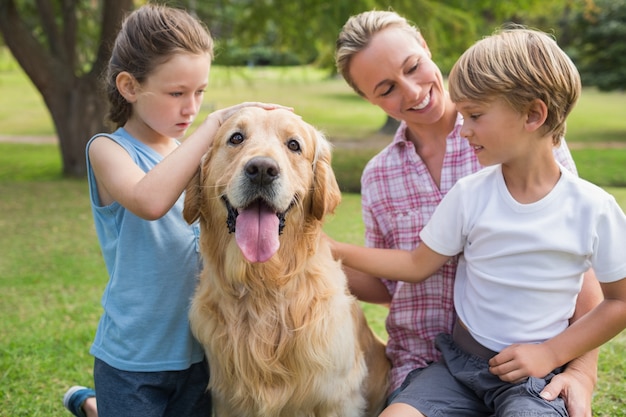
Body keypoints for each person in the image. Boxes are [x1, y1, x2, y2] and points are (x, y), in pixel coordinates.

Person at [331, 25, 626, 416]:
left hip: (533, 371)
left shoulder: (538, 154)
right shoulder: (384, 175)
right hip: (436, 364)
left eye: (413, 66)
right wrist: (315, 251)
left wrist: (579, 370)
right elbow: (401, 275)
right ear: (369, 99)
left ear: (425, 46)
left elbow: (583, 272)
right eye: (386, 89)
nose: (413, 92)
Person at [61, 4, 286, 417]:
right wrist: (213, 127)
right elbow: (150, 201)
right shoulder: (108, 150)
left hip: (200, 352)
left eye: (200, 92)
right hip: (133, 360)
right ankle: (95, 404)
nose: (191, 107)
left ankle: (93, 407)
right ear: (129, 86)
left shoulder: (188, 154)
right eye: (177, 93)